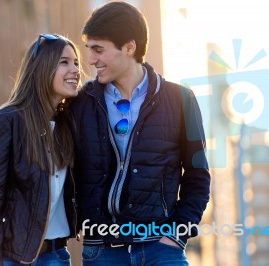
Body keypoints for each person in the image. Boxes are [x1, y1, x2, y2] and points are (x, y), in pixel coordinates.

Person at [69, 2, 211, 265]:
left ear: (129, 47)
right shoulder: (80, 103)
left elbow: (198, 176)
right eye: (89, 50)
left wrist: (176, 235)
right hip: (102, 251)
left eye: (99, 50)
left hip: (161, 249)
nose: (91, 60)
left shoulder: (181, 100)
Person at [0, 33, 81, 266]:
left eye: (76, 63)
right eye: (64, 62)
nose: (75, 69)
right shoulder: (6, 121)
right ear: (42, 68)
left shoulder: (68, 125)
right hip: (8, 257)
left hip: (56, 255)